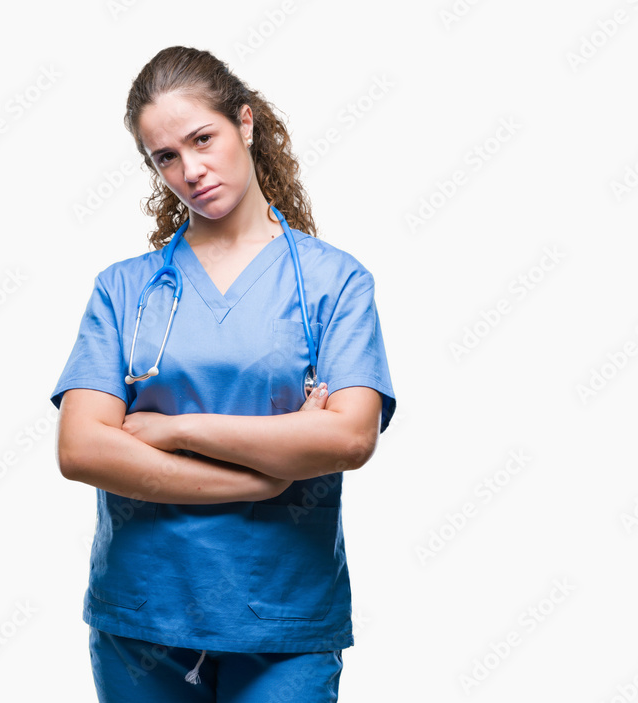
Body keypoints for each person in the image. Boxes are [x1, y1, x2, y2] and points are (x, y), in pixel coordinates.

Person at [50, 45, 396, 702]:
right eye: (166, 157)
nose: (191, 169)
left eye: (202, 138)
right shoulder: (125, 288)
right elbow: (82, 447)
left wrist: (174, 429)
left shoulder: (333, 282)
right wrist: (267, 473)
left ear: (245, 122)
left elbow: (350, 438)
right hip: (144, 615)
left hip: (282, 618)